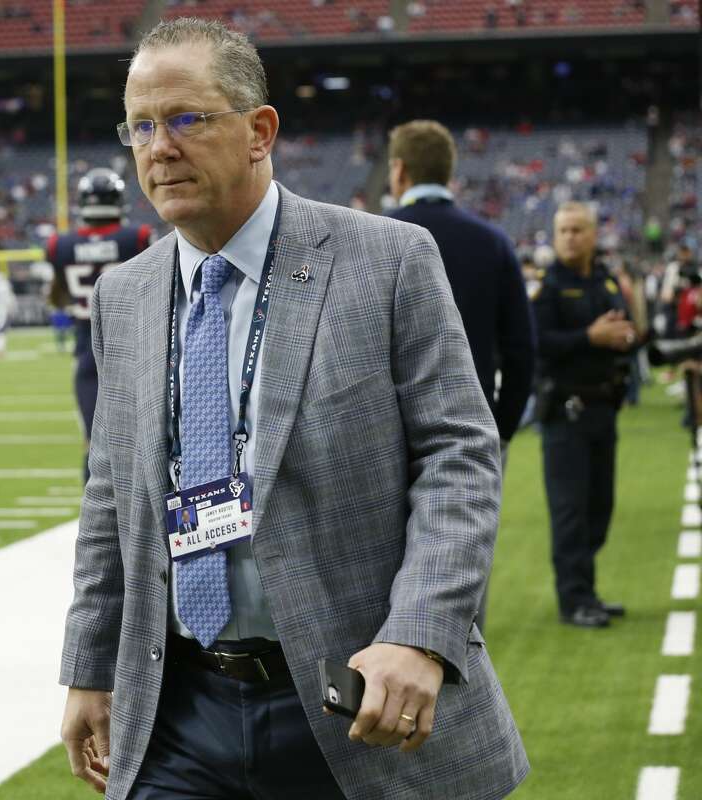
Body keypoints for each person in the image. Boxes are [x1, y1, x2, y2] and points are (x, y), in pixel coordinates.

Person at [59, 18, 527, 800]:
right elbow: (109, 493)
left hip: (347, 701)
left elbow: (460, 455)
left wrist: (420, 632)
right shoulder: (125, 295)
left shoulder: (388, 259)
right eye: (140, 125)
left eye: (186, 119)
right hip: (180, 710)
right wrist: (88, 667)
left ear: (258, 130)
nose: (158, 148)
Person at [385, 119, 536, 632]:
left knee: (382, 565)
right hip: (471, 429)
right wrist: (501, 427)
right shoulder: (492, 243)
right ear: (448, 172)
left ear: (399, 170)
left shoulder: (370, 242)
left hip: (388, 436)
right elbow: (521, 349)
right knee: (463, 555)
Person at [533, 201, 637, 629]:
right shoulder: (548, 287)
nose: (570, 237)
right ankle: (573, 599)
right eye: (563, 230)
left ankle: (587, 590)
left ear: (594, 234)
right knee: (570, 510)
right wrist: (589, 336)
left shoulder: (606, 280)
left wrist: (624, 335)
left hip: (603, 408)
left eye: (578, 230)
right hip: (565, 411)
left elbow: (625, 327)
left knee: (600, 507)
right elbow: (537, 343)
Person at [48, 167, 153, 482]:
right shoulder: (137, 237)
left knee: (96, 444)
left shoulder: (59, 245)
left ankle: (95, 520)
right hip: (137, 346)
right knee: (147, 440)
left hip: (88, 353)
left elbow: (57, 297)